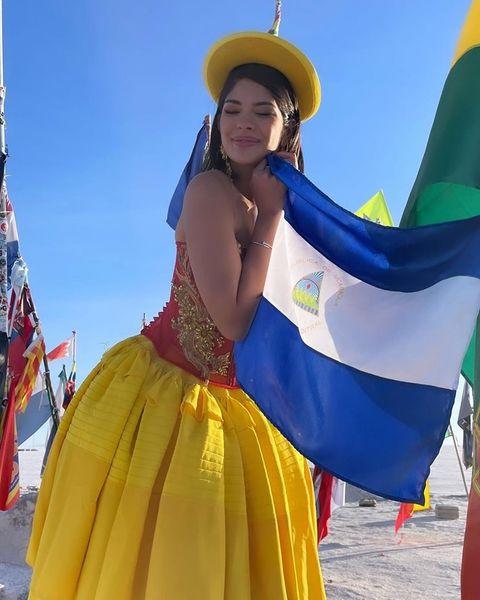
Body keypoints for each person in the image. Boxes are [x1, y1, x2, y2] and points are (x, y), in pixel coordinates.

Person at [26, 23, 326, 600]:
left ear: (287, 131)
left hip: (244, 408)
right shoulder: (210, 191)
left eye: (262, 112)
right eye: (231, 108)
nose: (242, 122)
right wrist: (268, 219)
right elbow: (233, 320)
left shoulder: (279, 209)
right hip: (168, 404)